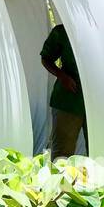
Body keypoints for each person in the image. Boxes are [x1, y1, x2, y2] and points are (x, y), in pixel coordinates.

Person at [40, 22, 86, 159]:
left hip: (96, 100)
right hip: (68, 100)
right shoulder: (63, 31)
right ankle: (60, 181)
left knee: (101, 149)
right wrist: (62, 76)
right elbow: (46, 58)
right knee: (62, 155)